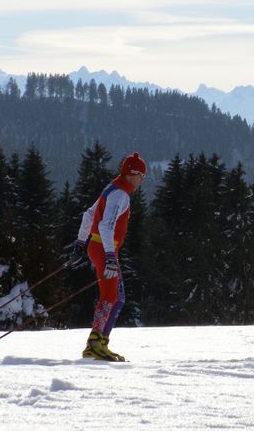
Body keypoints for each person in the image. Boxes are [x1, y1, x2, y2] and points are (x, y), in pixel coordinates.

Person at [70, 152, 147, 361]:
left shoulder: (112, 188)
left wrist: (80, 242)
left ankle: (101, 342)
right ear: (133, 174)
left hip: (99, 247)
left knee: (119, 298)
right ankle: (94, 344)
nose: (142, 180)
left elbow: (89, 214)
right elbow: (105, 225)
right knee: (110, 296)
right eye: (142, 175)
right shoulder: (120, 194)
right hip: (105, 249)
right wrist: (110, 257)